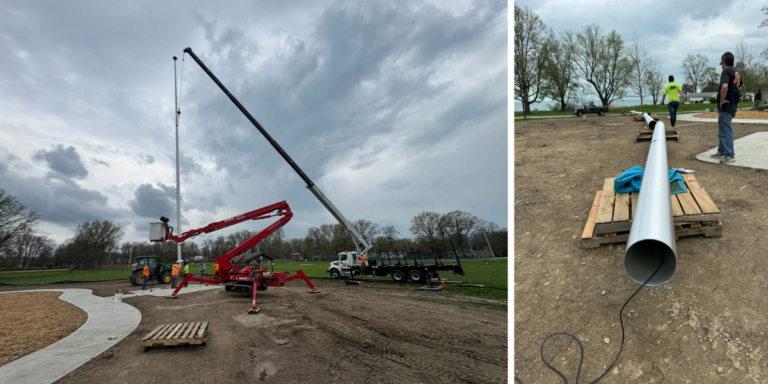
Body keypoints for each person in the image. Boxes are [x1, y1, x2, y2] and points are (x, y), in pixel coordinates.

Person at [712, 51, 740, 164]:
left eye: (721, 63)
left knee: (726, 131)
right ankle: (722, 151)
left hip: (726, 107)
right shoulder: (736, 73)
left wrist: (722, 100)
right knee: (722, 131)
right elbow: (740, 86)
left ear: (723, 63)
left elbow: (724, 86)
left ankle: (729, 154)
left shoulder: (726, 72)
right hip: (732, 106)